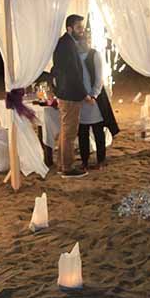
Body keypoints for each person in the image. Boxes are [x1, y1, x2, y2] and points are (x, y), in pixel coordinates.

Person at [51, 14, 89, 178]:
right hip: (70, 93)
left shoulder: (66, 43)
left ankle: (62, 164)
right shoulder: (67, 44)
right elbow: (72, 73)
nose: (82, 30)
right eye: (79, 27)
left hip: (65, 92)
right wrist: (84, 94)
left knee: (66, 130)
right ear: (69, 28)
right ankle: (67, 167)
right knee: (70, 132)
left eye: (82, 27)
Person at [77, 33, 120, 170]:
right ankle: (84, 161)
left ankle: (101, 160)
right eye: (81, 42)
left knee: (98, 131)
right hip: (80, 99)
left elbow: (99, 78)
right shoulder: (75, 56)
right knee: (82, 132)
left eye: (86, 41)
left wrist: (93, 95)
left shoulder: (95, 55)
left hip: (94, 99)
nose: (84, 44)